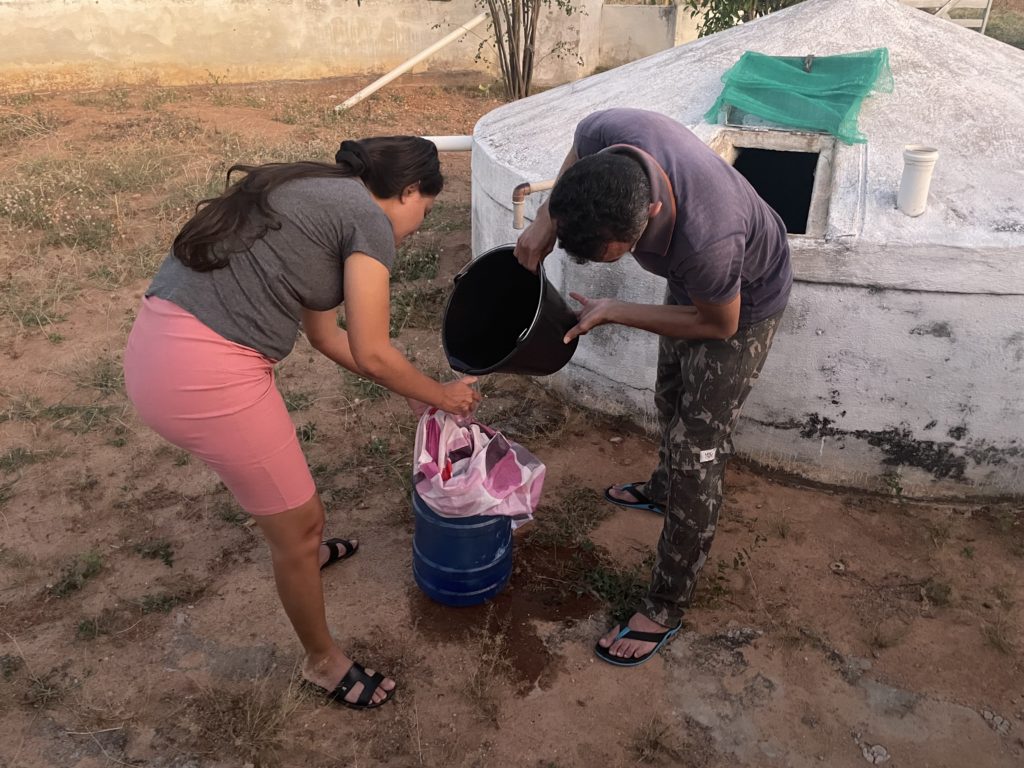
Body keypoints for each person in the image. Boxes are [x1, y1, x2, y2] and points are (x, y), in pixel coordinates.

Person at [123, 136, 480, 708]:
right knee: (302, 523)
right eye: (425, 210)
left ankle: (306, 559)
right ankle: (322, 662)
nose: (416, 227)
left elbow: (326, 336)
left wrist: (419, 397)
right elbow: (374, 351)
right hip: (205, 373)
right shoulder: (367, 220)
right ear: (409, 190)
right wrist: (443, 394)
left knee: (296, 518)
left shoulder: (315, 193)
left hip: (160, 349)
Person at [515, 108, 791, 667]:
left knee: (698, 449)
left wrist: (619, 310)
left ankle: (666, 604)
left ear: (653, 213)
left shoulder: (708, 239)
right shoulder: (609, 130)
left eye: (611, 253)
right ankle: (662, 491)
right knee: (669, 392)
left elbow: (719, 324)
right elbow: (577, 146)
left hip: (742, 305)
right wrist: (546, 219)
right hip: (697, 287)